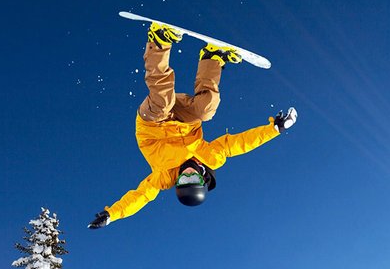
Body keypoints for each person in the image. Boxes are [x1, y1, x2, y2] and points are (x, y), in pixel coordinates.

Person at [88, 23, 297, 229]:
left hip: (153, 123)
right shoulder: (211, 157)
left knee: (162, 102)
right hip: (184, 118)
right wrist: (274, 129)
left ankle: (158, 41)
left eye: (183, 179)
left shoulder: (162, 177)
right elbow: (240, 144)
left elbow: (140, 197)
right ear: (202, 178)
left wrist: (111, 214)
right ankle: (212, 58)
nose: (187, 173)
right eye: (192, 177)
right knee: (206, 110)